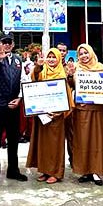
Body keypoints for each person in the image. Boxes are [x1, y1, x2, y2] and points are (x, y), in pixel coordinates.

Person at [0, 33, 28, 187]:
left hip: (13, 105)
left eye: (9, 42)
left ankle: (13, 170)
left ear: (13, 44)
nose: (7, 45)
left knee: (14, 139)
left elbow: (24, 81)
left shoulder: (18, 60)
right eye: (4, 42)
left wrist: (20, 98)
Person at [66, 44, 103, 186]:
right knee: (82, 140)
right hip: (81, 110)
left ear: (91, 53)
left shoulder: (101, 68)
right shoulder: (76, 68)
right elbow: (71, 84)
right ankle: (84, 171)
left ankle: (96, 171)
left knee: (97, 140)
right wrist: (71, 74)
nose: (83, 56)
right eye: (81, 54)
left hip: (97, 110)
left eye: (86, 53)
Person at [27, 48, 72, 184]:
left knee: (55, 145)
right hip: (42, 115)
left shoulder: (61, 74)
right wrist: (38, 66)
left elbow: (68, 95)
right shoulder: (43, 72)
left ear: (58, 59)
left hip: (56, 116)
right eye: (49, 57)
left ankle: (56, 173)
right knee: (43, 145)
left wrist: (61, 111)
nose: (51, 60)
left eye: (54, 57)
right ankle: (45, 171)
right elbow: (34, 79)